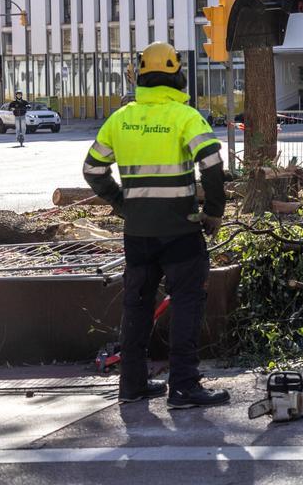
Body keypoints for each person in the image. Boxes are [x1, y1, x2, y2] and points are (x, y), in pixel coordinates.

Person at [81, 42, 230, 408]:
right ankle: (183, 386)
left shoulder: (121, 119)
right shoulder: (185, 117)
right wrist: (213, 211)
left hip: (138, 235)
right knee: (187, 303)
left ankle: (132, 385)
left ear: (141, 76)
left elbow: (92, 170)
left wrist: (122, 203)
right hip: (181, 231)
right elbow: (212, 166)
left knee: (137, 306)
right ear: (177, 74)